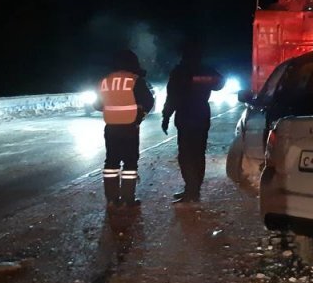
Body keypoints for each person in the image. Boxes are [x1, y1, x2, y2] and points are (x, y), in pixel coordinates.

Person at [161, 40, 224, 204]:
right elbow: (219, 83)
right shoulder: (205, 70)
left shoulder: (180, 71)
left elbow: (172, 97)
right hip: (201, 114)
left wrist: (166, 116)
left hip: (185, 115)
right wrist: (201, 79)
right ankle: (193, 190)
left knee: (186, 155)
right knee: (198, 154)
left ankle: (191, 191)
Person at [94, 49, 155, 210]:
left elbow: (97, 105)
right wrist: (139, 116)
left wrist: (113, 107)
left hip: (111, 128)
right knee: (130, 163)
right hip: (130, 127)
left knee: (111, 162)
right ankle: (128, 199)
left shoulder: (105, 81)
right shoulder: (134, 80)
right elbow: (148, 101)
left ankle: (112, 199)